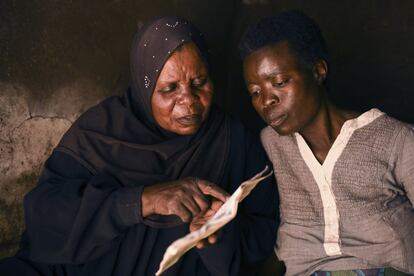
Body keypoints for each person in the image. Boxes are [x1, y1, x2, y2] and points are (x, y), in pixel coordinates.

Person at [0, 16, 278, 276]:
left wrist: (216, 236)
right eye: (170, 89)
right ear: (144, 89)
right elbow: (46, 220)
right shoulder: (101, 132)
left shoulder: (231, 140)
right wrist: (142, 201)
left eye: (199, 82)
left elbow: (261, 237)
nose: (189, 101)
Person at [239, 10, 414, 276]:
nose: (266, 101)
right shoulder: (269, 144)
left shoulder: (395, 140)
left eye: (279, 82)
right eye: (255, 92)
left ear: (318, 71)